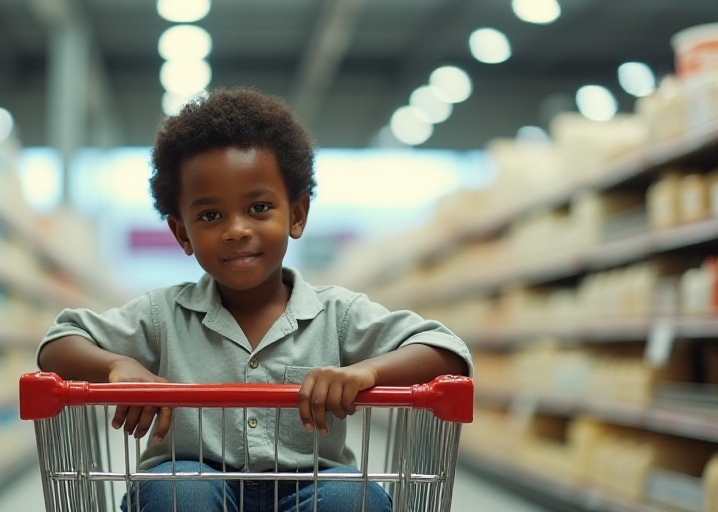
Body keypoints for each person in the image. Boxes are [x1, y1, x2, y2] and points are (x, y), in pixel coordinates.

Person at [37, 88, 472, 512]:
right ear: (182, 234)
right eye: (210, 216)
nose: (237, 229)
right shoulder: (161, 315)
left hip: (312, 484)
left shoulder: (338, 315)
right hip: (194, 483)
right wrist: (118, 364)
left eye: (259, 208)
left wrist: (366, 370)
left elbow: (447, 353)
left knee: (353, 496)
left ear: (297, 215)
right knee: (179, 492)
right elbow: (59, 343)